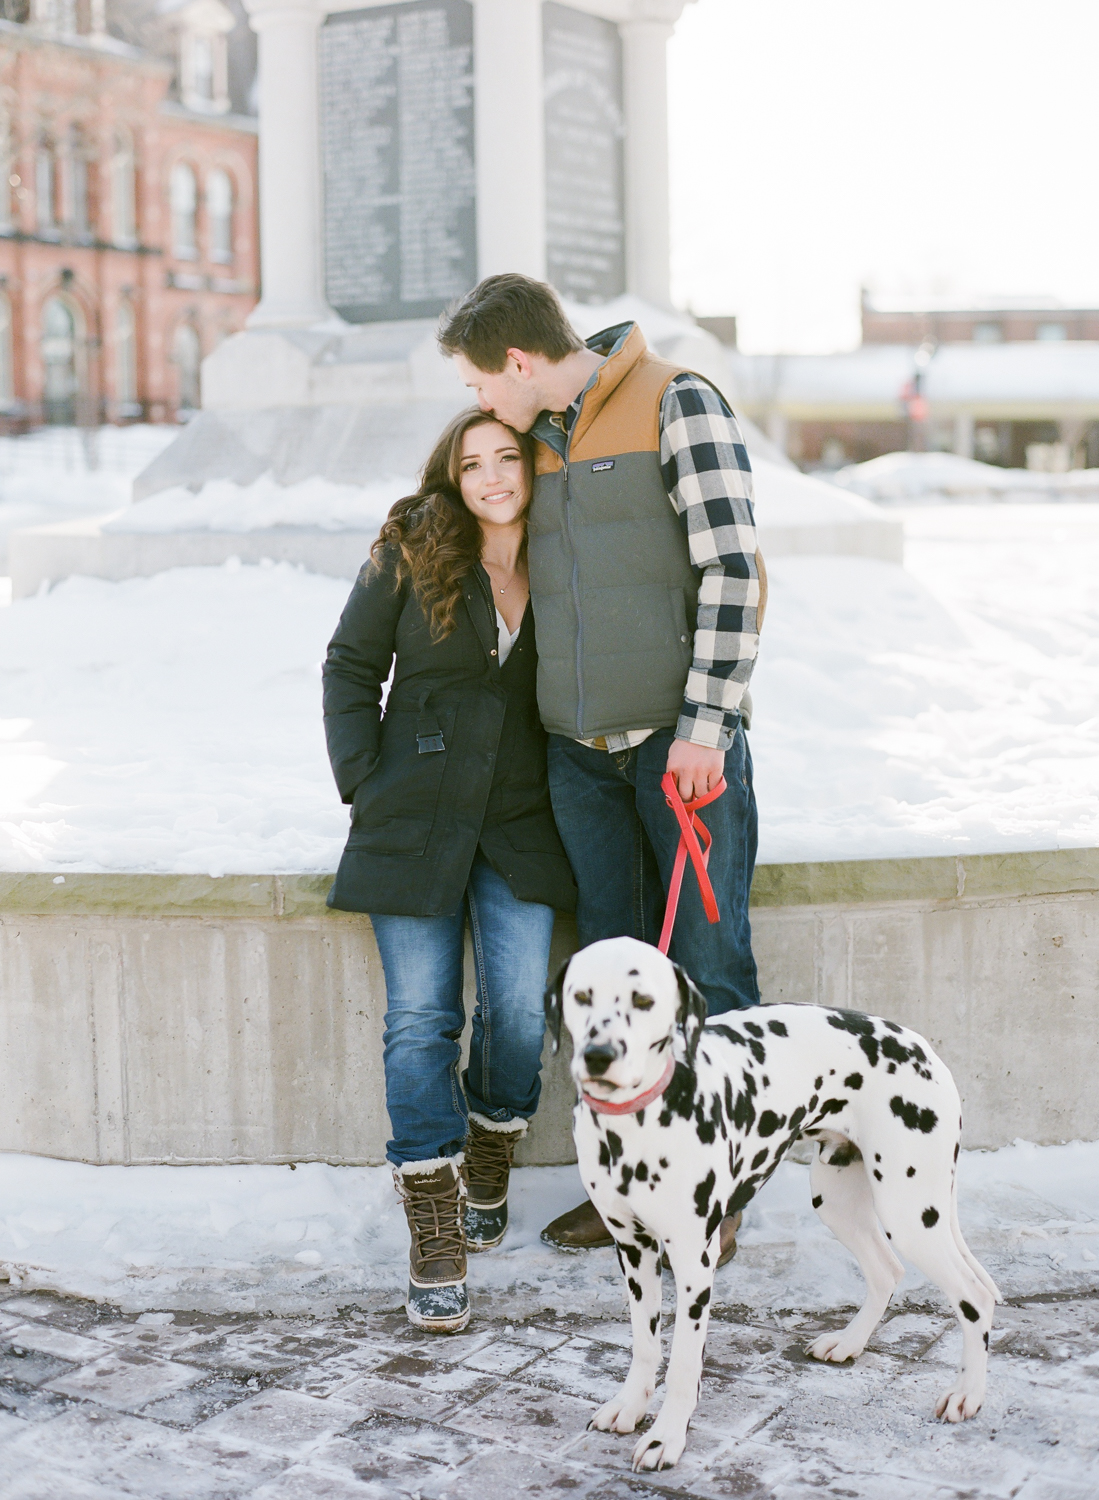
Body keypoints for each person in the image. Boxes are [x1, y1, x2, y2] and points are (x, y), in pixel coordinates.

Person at [438, 274, 766, 1261]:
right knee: (611, 988)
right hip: (577, 762)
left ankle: (712, 1201)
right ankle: (632, 1194)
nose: (479, 406)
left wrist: (706, 724)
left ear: (520, 363)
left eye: (479, 383)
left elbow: (734, 569)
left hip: (681, 752)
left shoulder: (678, 401)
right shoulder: (533, 438)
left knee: (708, 970)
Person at [322, 407, 576, 1333]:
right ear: (452, 475)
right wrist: (364, 778)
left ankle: (492, 1142)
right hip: (413, 812)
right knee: (421, 1018)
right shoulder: (412, 542)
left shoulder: (564, 548)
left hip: (518, 817)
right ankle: (433, 1212)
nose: (491, 478)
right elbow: (350, 665)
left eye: (506, 459)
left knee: (514, 1013)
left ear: (531, 467)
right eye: (472, 464)